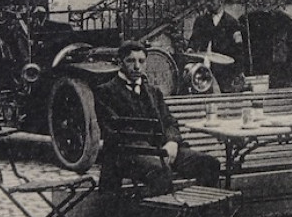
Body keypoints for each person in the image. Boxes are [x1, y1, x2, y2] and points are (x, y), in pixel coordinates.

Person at [95, 41, 222, 196]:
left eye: (141, 61)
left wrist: (172, 142)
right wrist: (156, 153)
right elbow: (116, 133)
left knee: (210, 164)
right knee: (161, 171)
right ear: (120, 62)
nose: (137, 66)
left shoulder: (153, 91)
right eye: (131, 61)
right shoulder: (106, 92)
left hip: (163, 150)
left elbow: (170, 122)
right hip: (128, 154)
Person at [187, 0, 245, 92]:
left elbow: (238, 49)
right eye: (207, 0)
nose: (208, 3)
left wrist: (238, 71)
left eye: (212, 0)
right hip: (204, 70)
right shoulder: (201, 21)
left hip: (225, 70)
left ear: (221, 1)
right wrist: (190, 49)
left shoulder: (232, 23)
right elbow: (194, 40)